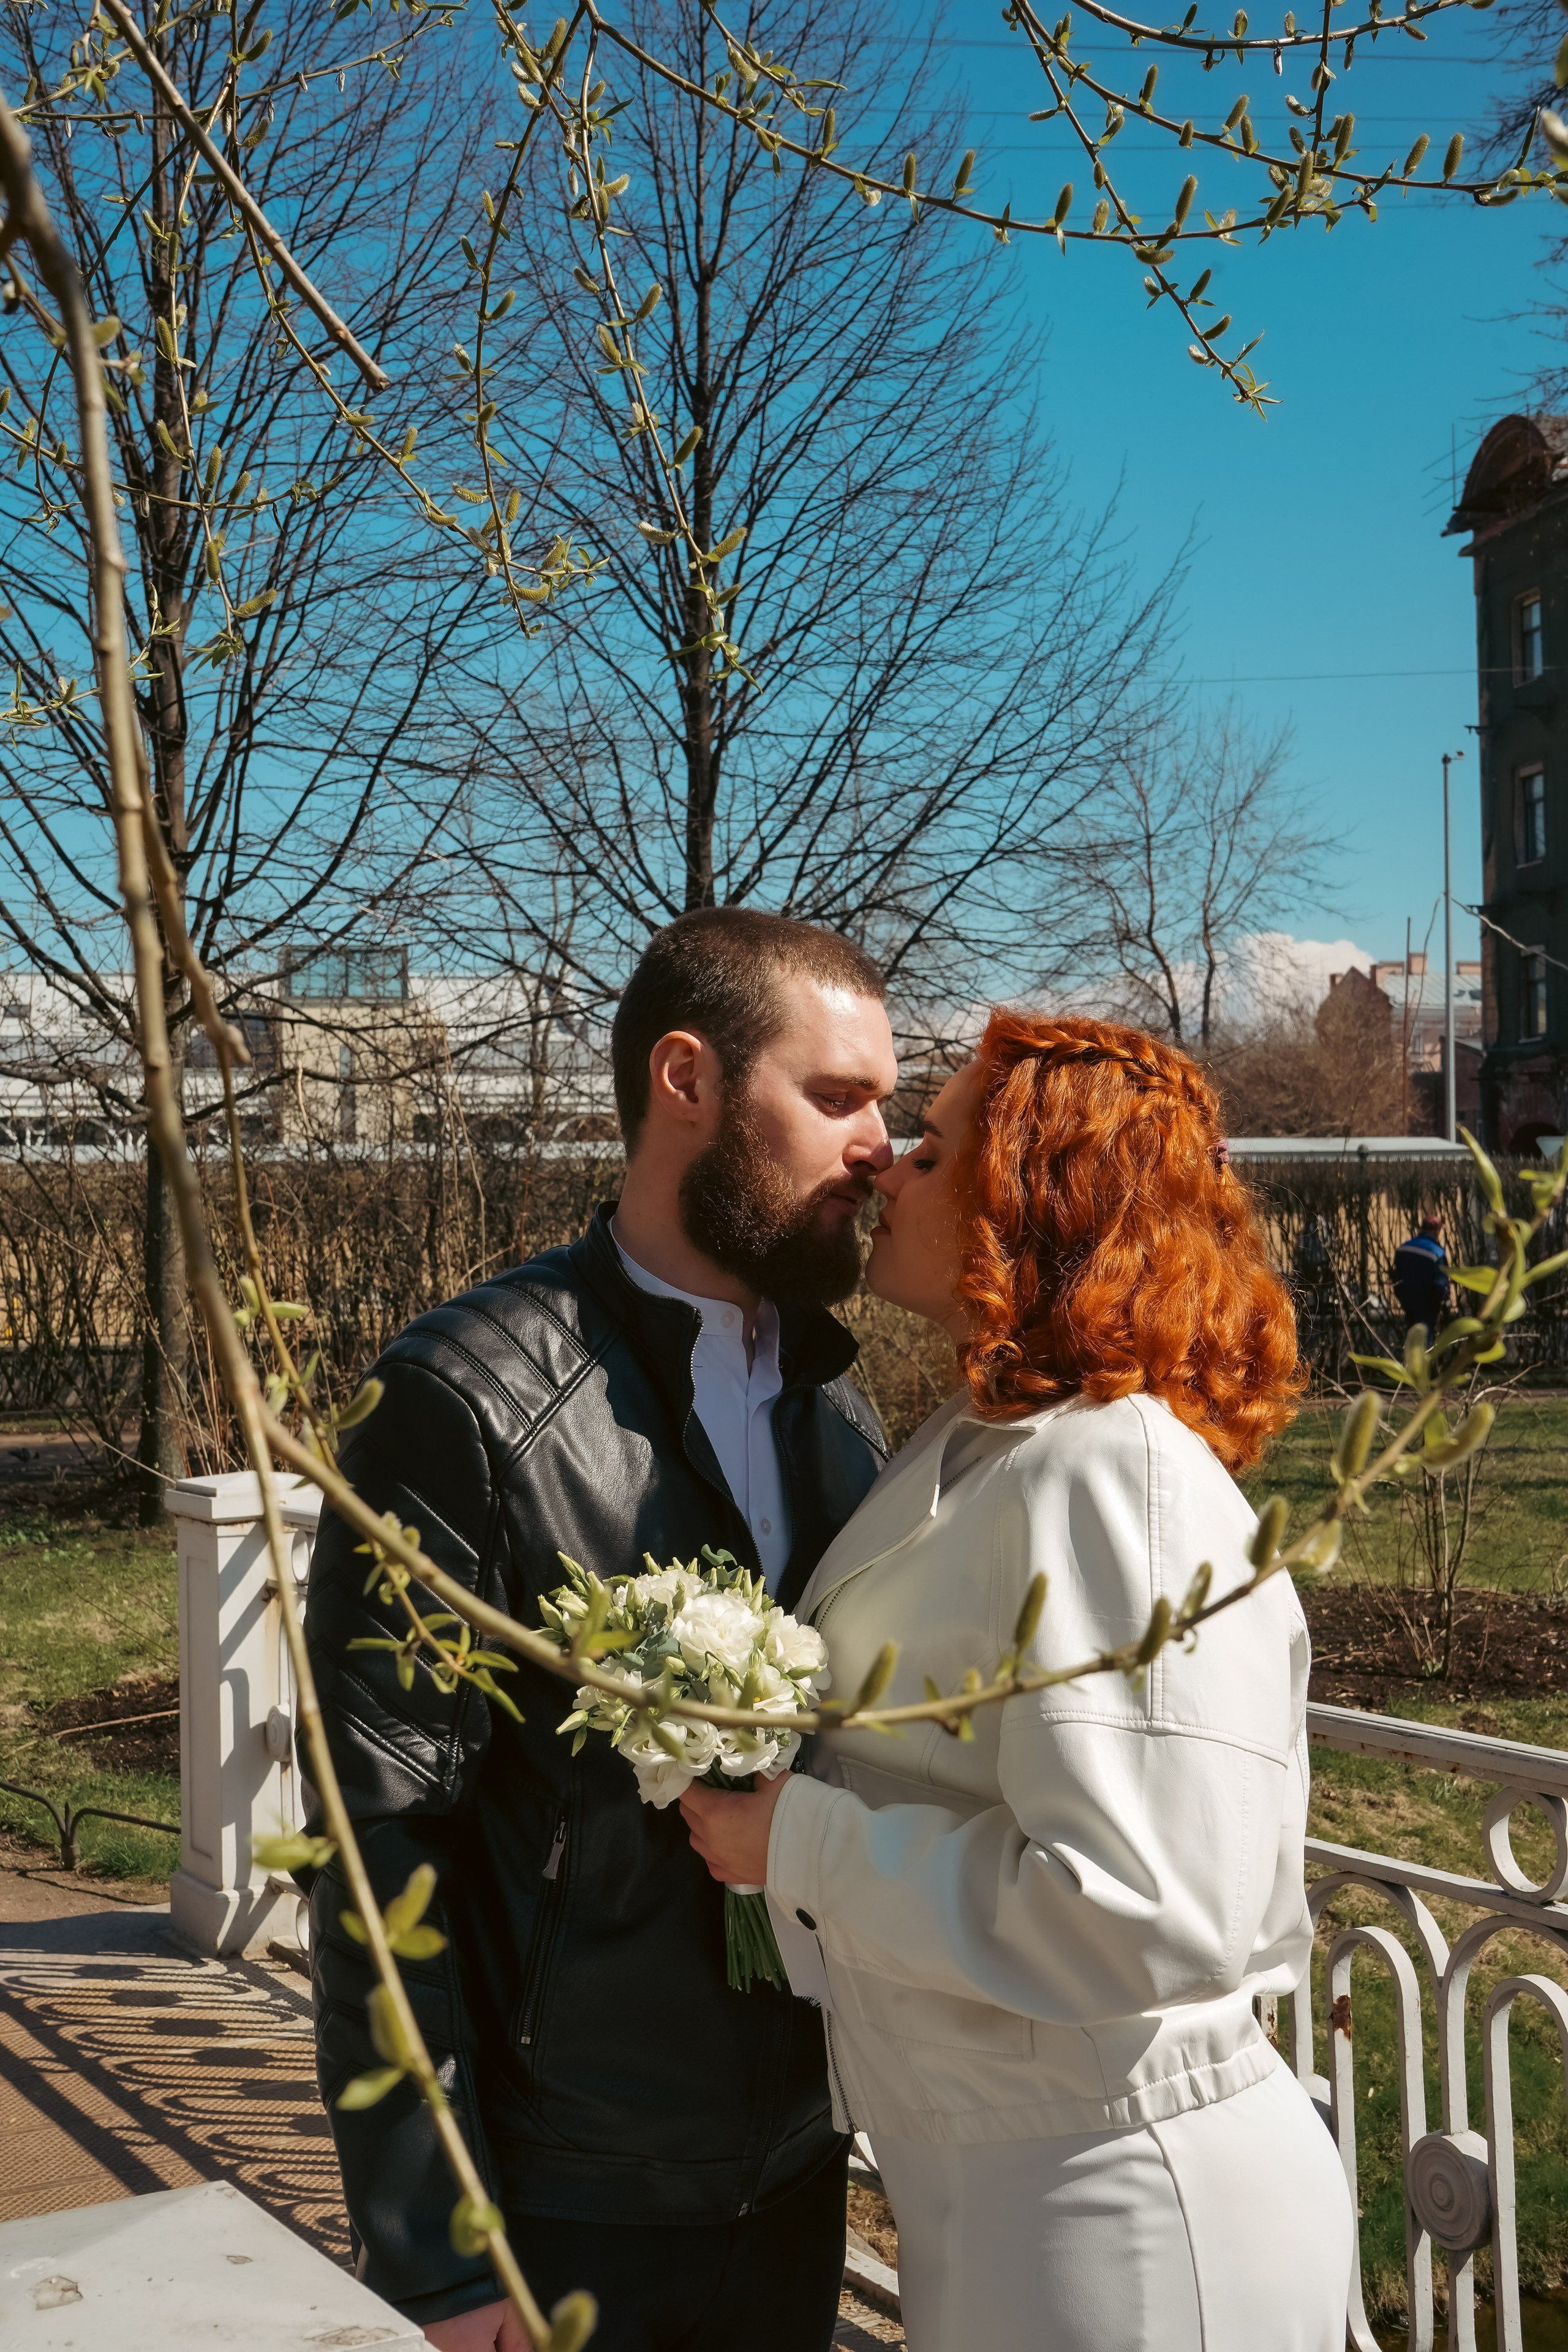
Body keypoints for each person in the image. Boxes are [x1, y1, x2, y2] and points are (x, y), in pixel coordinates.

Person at [682, 1011, 1356, 2352]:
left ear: (1028, 1198)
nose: (885, 1167)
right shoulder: (988, 1441)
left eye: (931, 1152)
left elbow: (1150, 1912)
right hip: (1007, 2186)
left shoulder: (1116, 1471)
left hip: (1124, 2210)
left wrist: (796, 1843)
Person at [300, 908, 899, 2351]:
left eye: (885, 1098)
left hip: (798, 2169)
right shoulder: (464, 1404)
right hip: (568, 2204)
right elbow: (375, 1834)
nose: (879, 1142)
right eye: (835, 1096)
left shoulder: (843, 1419)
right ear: (684, 1079)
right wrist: (439, 2249)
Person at [1392, 1210, 1450, 1335]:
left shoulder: (1404, 1247)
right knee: (1426, 1341)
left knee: (1412, 1337)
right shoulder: (1437, 1252)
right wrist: (1445, 1303)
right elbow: (1441, 1284)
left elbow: (1396, 1276)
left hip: (1407, 1303)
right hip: (1427, 1307)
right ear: (1436, 1231)